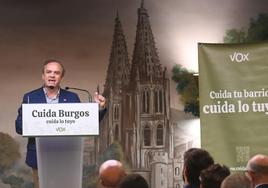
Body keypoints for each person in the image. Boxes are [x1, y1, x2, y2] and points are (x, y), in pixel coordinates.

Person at [15, 59, 107, 188]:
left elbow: (84, 124)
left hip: (67, 156)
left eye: (56, 73)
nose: (52, 75)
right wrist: (39, 124)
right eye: (49, 72)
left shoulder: (72, 97)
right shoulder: (30, 97)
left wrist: (100, 108)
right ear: (43, 75)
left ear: (61, 77)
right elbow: (19, 127)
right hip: (39, 158)